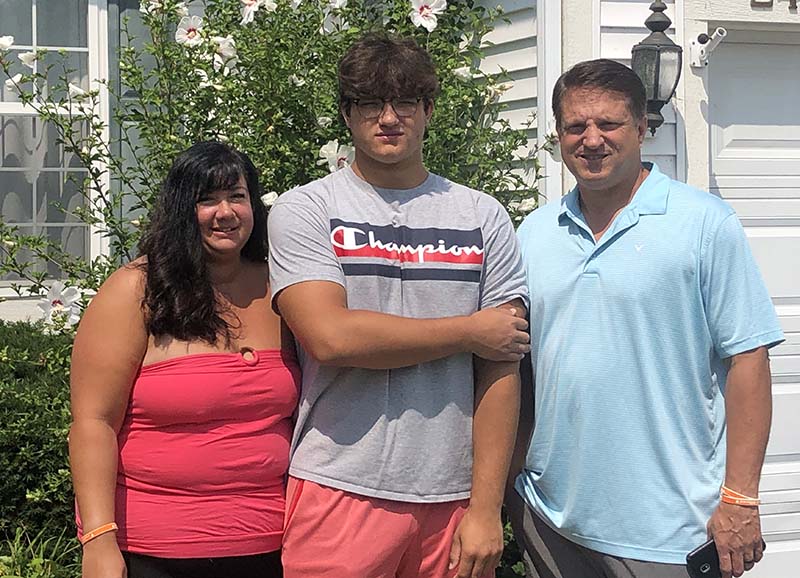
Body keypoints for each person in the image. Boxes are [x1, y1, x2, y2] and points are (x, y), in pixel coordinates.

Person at [508, 58, 785, 578]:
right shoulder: (535, 232)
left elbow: (748, 359)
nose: (592, 139)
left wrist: (741, 498)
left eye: (609, 123)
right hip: (551, 519)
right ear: (559, 134)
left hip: (670, 530)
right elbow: (519, 365)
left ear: (641, 128)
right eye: (575, 125)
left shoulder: (704, 224)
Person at [267, 33, 529, 578]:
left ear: (428, 109)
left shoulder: (482, 216)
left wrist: (486, 508)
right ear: (347, 114)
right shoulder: (306, 209)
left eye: (405, 101)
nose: (388, 118)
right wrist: (470, 331)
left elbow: (501, 363)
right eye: (369, 103)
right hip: (338, 485)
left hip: (452, 498)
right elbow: (331, 338)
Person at [69, 141, 299, 578]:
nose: (225, 212)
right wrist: (98, 540)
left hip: (272, 545)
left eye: (237, 196)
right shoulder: (135, 290)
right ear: (180, 209)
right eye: (207, 200)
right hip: (153, 549)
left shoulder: (283, 288)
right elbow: (93, 423)